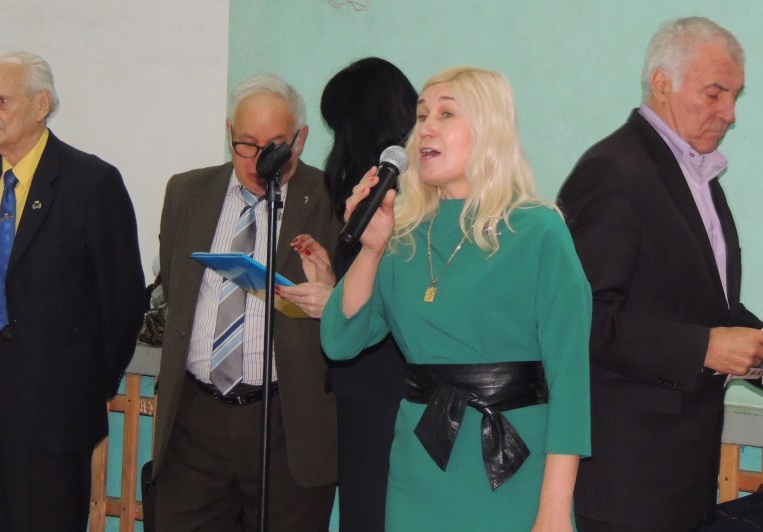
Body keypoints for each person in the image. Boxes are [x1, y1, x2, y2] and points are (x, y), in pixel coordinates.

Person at [556, 17, 763, 531]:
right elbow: (580, 320)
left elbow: (701, 306)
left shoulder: (696, 174)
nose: (729, 113)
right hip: (625, 477)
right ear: (661, 83)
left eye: (735, 96)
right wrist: (705, 347)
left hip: (683, 472)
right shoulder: (613, 170)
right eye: (715, 93)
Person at [319, 66, 592, 531]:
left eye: (446, 114)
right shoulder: (402, 236)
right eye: (422, 115)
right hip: (419, 469)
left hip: (514, 468)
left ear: (488, 130)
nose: (426, 128)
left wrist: (553, 509)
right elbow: (340, 341)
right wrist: (371, 249)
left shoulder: (538, 229)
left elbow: (570, 382)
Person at [152, 73, 340, 531]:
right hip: (194, 422)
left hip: (287, 424)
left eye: (274, 145)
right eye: (246, 144)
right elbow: (176, 290)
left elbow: (361, 313)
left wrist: (332, 294)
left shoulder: (333, 201)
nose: (259, 160)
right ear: (229, 135)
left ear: (301, 139)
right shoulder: (186, 193)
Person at [0, 52, 145, 532]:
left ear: (41, 104)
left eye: (2, 101)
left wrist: (84, 389)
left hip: (52, 411)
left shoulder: (91, 182)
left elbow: (123, 301)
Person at [295, 57, 417, 532]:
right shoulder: (370, 192)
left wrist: (335, 304)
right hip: (364, 385)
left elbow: (403, 301)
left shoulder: (407, 196)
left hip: (387, 390)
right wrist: (333, 283)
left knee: (376, 514)